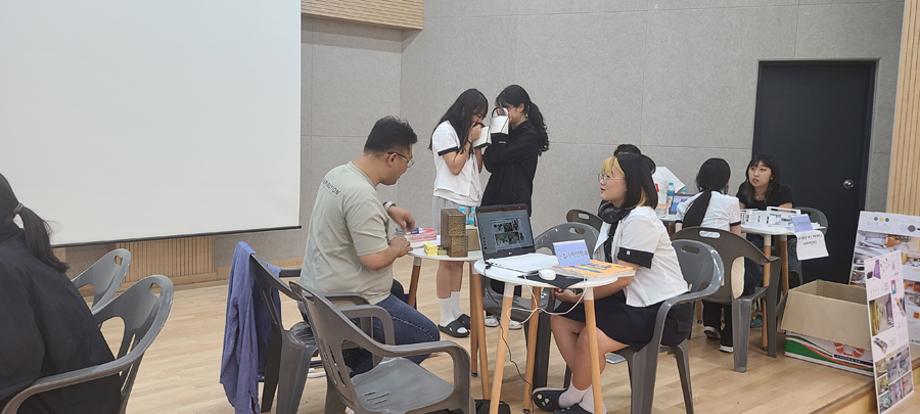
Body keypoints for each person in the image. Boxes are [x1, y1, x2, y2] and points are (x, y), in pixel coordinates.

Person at [532, 153, 692, 414]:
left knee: (590, 336)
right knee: (559, 320)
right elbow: (603, 266)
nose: (602, 181)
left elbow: (623, 277)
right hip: (629, 300)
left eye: (609, 176)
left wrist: (580, 295)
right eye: (602, 175)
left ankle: (572, 397)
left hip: (662, 310)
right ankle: (589, 400)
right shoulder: (614, 217)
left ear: (631, 183)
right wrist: (571, 281)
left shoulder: (641, 219)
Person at [299, 116, 439, 375]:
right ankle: (359, 381)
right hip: (339, 307)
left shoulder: (339, 174)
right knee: (427, 336)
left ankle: (360, 362)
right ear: (392, 158)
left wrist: (387, 207)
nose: (405, 169)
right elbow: (374, 259)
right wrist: (397, 247)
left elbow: (353, 209)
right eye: (407, 162)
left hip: (314, 295)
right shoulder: (361, 195)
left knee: (397, 290)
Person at [0, 173, 121, 413]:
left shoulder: (5, 264)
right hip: (83, 386)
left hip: (65, 398)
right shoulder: (20, 243)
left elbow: (19, 365)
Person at [480, 84, 550, 329]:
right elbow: (490, 162)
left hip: (515, 203)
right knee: (492, 256)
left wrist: (498, 137)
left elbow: (499, 155)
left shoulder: (530, 135)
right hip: (495, 197)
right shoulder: (506, 131)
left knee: (512, 259)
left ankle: (510, 310)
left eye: (507, 108)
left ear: (521, 107)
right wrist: (498, 136)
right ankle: (491, 307)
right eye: (499, 109)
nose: (503, 113)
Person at [429, 89, 488, 338]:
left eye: (482, 117)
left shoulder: (467, 136)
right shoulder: (445, 130)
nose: (478, 120)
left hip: (468, 201)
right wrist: (469, 140)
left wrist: (478, 144)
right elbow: (454, 166)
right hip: (451, 200)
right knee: (448, 260)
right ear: (465, 110)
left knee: (460, 260)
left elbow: (478, 169)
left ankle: (454, 311)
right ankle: (445, 316)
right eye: (477, 114)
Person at [674, 158, 742, 353]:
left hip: (691, 275)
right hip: (722, 276)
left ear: (699, 178)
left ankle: (711, 322)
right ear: (726, 181)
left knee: (711, 264)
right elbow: (736, 242)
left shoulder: (685, 205)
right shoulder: (731, 202)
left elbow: (679, 241)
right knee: (740, 270)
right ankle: (728, 339)